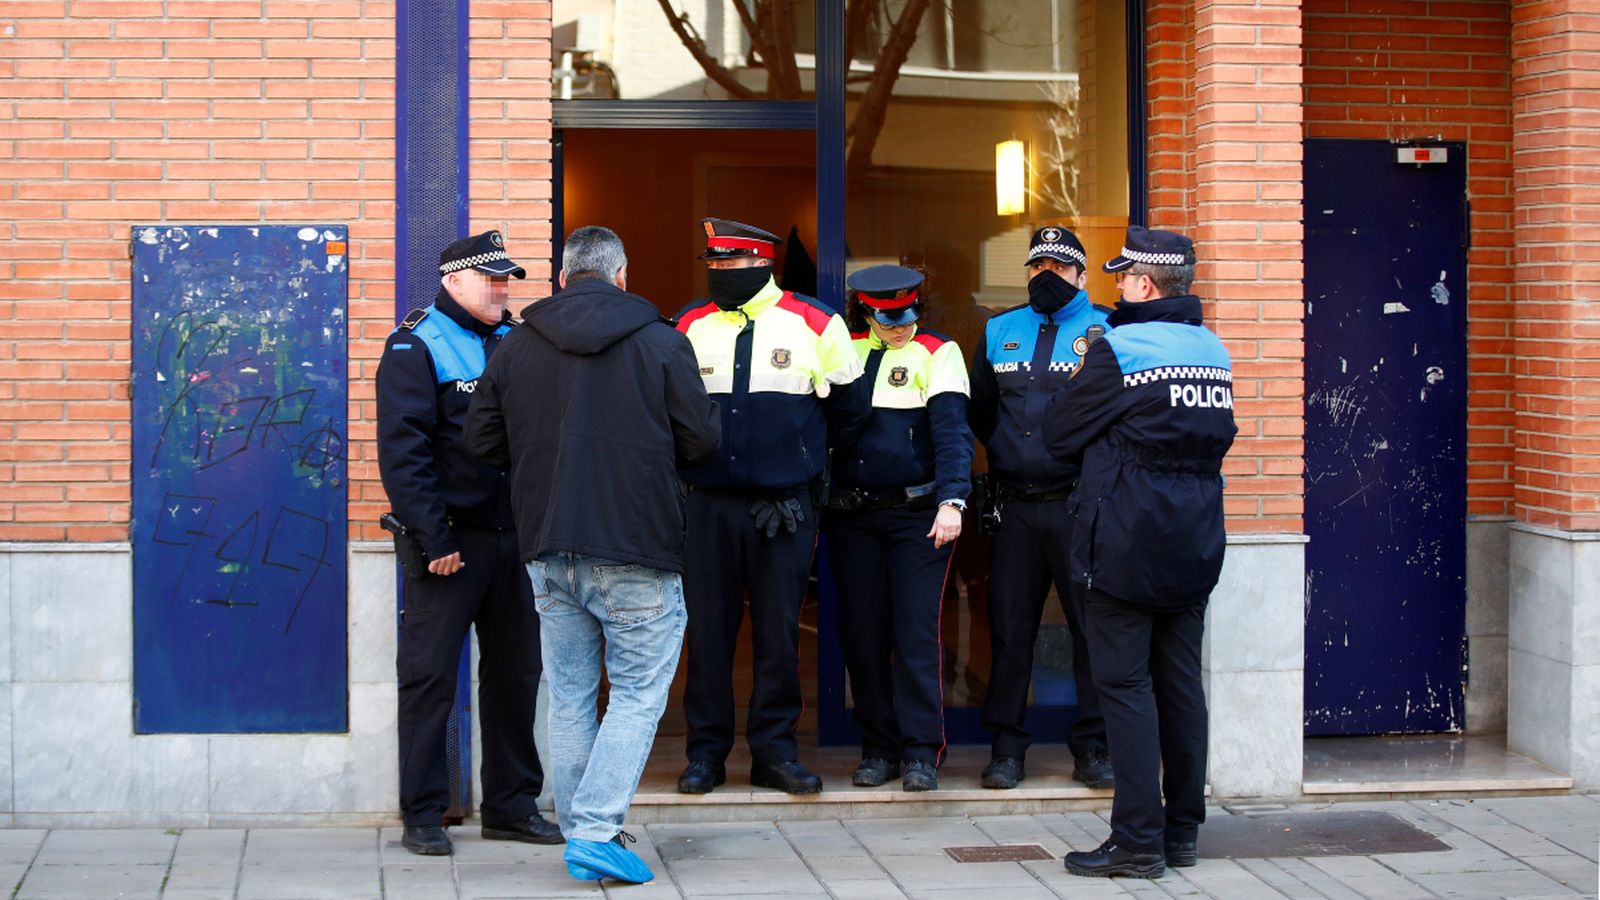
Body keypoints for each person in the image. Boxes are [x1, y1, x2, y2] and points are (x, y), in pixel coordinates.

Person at [465, 226, 720, 885]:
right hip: (637, 546)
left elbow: (482, 440)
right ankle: (597, 830)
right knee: (638, 692)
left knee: (573, 693)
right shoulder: (663, 341)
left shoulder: (516, 346)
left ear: (560, 279)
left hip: (547, 544)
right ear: (623, 275)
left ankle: (585, 828)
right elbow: (700, 441)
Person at [1046, 226, 1236, 879]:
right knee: (1181, 684)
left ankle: (1136, 841)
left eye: (1124, 276)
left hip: (1125, 541)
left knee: (1125, 685)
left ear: (1145, 284)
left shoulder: (1120, 348)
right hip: (1194, 540)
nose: (1119, 285)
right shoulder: (1213, 350)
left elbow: (1059, 431)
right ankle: (1181, 832)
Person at [376, 230, 560, 856]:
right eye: (492, 279)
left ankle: (512, 807)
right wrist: (432, 537)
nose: (503, 289)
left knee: (517, 676)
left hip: (517, 540)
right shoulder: (415, 343)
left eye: (508, 280)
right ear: (454, 281)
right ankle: (423, 813)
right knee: (429, 680)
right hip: (450, 545)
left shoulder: (518, 341)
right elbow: (405, 454)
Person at [673, 218, 870, 795]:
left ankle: (775, 754)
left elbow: (850, 412)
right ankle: (705, 755)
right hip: (707, 506)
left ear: (760, 263)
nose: (718, 275)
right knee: (708, 635)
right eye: (712, 265)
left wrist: (801, 467)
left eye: (729, 266)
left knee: (779, 634)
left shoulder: (816, 321)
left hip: (782, 507)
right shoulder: (688, 323)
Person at [968, 225, 1114, 791]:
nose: (1044, 276)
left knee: (1090, 630)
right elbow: (983, 411)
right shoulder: (999, 328)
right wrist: (1007, 453)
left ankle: (1093, 748)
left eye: (1057, 268)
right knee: (1010, 631)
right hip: (1015, 510)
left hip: (1080, 505)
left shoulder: (1108, 328)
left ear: (1080, 273)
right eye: (1035, 267)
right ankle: (1006, 749)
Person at [825, 264, 973, 793]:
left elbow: (954, 434)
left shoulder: (938, 350)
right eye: (887, 319)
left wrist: (953, 499)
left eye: (906, 316)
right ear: (866, 311)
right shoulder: (844, 349)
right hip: (852, 518)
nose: (899, 327)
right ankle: (878, 750)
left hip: (918, 515)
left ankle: (919, 754)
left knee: (915, 636)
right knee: (862, 638)